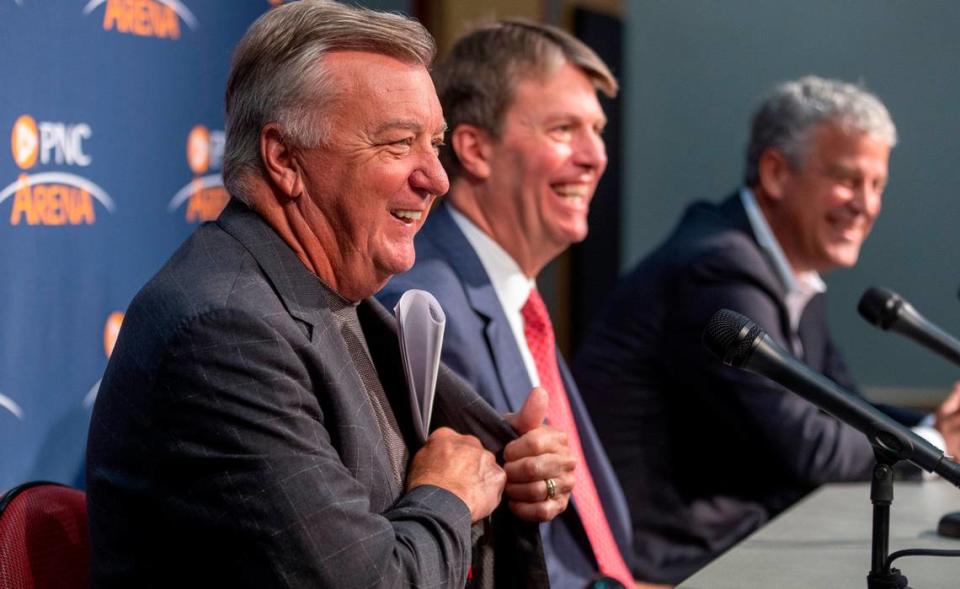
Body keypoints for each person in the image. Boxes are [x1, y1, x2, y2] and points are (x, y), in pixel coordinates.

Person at [86, 2, 574, 587]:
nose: (437, 178)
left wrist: (513, 467)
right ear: (285, 159)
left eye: (435, 144)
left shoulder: (330, 296)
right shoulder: (225, 332)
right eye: (398, 144)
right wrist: (449, 496)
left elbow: (439, 460)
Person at [573, 75, 960, 584]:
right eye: (847, 179)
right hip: (671, 564)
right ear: (776, 172)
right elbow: (804, 446)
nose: (865, 204)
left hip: (741, 538)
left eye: (877, 185)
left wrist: (934, 426)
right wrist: (935, 441)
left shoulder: (786, 266)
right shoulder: (719, 268)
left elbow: (842, 403)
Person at [379, 20, 663, 589]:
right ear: (476, 149)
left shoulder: (512, 291)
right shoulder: (426, 305)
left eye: (597, 130)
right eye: (563, 129)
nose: (594, 157)